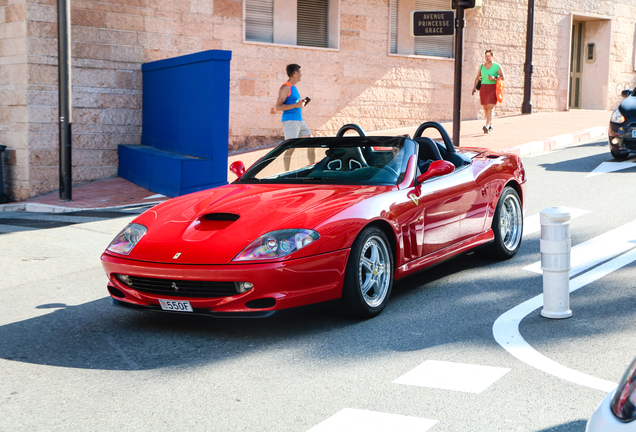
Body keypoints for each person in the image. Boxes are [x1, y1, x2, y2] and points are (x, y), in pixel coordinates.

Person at [275, 64, 314, 169]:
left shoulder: (294, 88)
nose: (301, 74)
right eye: (300, 72)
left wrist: (301, 104)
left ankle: (313, 168)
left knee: (312, 142)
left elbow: (294, 104)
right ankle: (286, 172)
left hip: (299, 120)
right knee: (291, 147)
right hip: (290, 121)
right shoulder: (286, 87)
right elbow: (278, 107)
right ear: (295, 73)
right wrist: (296, 105)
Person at [472, 50, 505, 134]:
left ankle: (486, 125)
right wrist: (474, 87)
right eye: (486, 56)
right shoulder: (481, 67)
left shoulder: (497, 66)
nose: (487, 57)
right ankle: (490, 126)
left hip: (492, 88)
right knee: (486, 108)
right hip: (483, 88)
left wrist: (494, 77)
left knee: (490, 107)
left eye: (489, 56)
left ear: (492, 57)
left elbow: (503, 77)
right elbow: (477, 78)